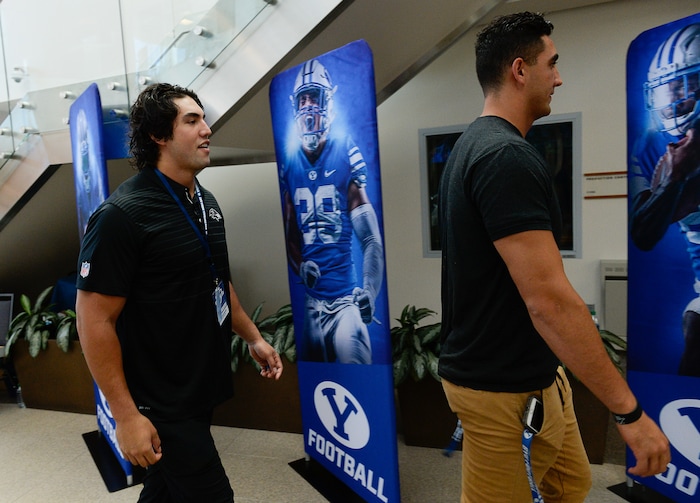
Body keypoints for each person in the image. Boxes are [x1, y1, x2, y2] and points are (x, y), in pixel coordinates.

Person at [438, 12, 671, 502]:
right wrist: (629, 414)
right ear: (520, 70)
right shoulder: (504, 157)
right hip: (500, 389)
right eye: (553, 63)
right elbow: (549, 300)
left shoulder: (471, 146)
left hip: (536, 375)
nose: (559, 77)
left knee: (569, 485)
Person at [75, 83, 283, 503]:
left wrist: (252, 337)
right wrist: (126, 415)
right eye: (192, 120)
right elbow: (94, 320)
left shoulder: (204, 201)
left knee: (165, 492)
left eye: (203, 118)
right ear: (158, 135)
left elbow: (217, 281)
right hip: (158, 399)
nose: (207, 129)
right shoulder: (121, 216)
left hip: (198, 387)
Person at [279, 59, 384, 364]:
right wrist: (301, 267)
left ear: (329, 102)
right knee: (317, 386)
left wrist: (369, 290)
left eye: (315, 96)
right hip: (312, 306)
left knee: (358, 383)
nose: (309, 105)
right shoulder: (290, 164)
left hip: (345, 303)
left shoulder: (344, 153)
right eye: (303, 98)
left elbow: (371, 240)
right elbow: (291, 238)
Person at [629, 23, 700, 377]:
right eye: (667, 89)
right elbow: (643, 232)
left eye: (682, 86)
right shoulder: (657, 149)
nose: (673, 99)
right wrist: (675, 176)